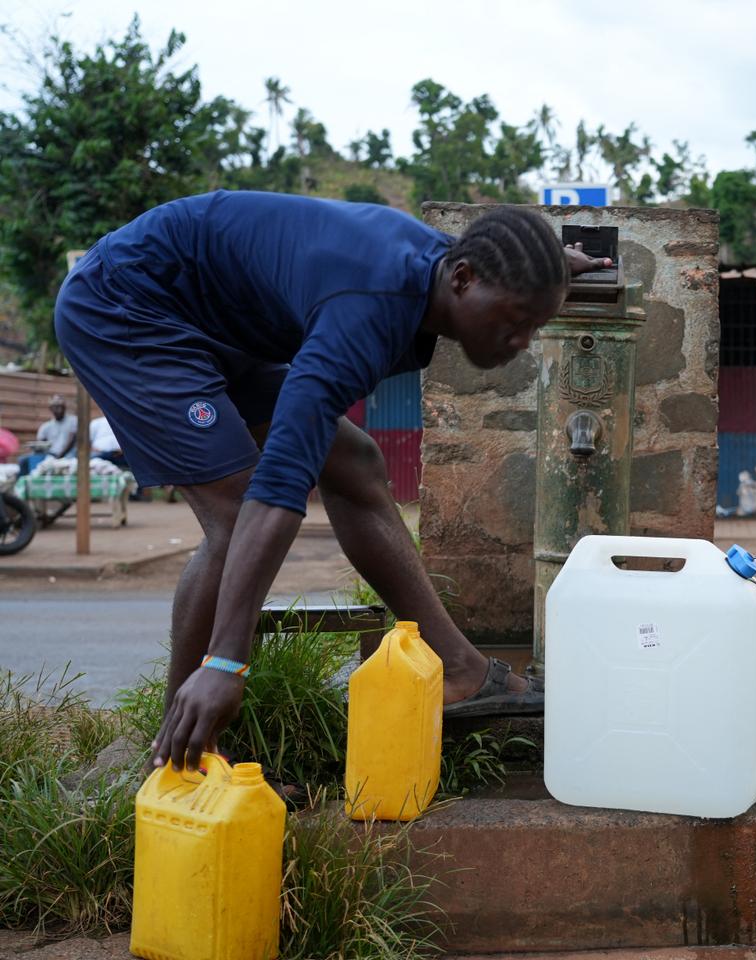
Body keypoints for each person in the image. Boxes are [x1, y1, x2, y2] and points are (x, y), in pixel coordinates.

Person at [54, 190, 610, 775]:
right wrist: (227, 662)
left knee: (357, 464)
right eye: (517, 321)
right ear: (464, 281)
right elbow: (277, 490)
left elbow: (487, 256)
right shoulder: (362, 313)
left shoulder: (448, 268)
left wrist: (550, 268)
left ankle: (458, 671)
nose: (522, 342)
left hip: (218, 321)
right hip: (127, 309)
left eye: (535, 324)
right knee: (235, 511)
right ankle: (183, 751)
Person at [19, 395, 77, 475]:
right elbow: (41, 444)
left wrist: (59, 456)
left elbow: (72, 440)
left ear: (64, 407)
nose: (58, 409)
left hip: (69, 456)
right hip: (49, 456)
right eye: (55, 407)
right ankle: (23, 485)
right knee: (23, 460)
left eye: (60, 406)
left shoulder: (73, 421)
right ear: (50, 409)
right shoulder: (46, 427)